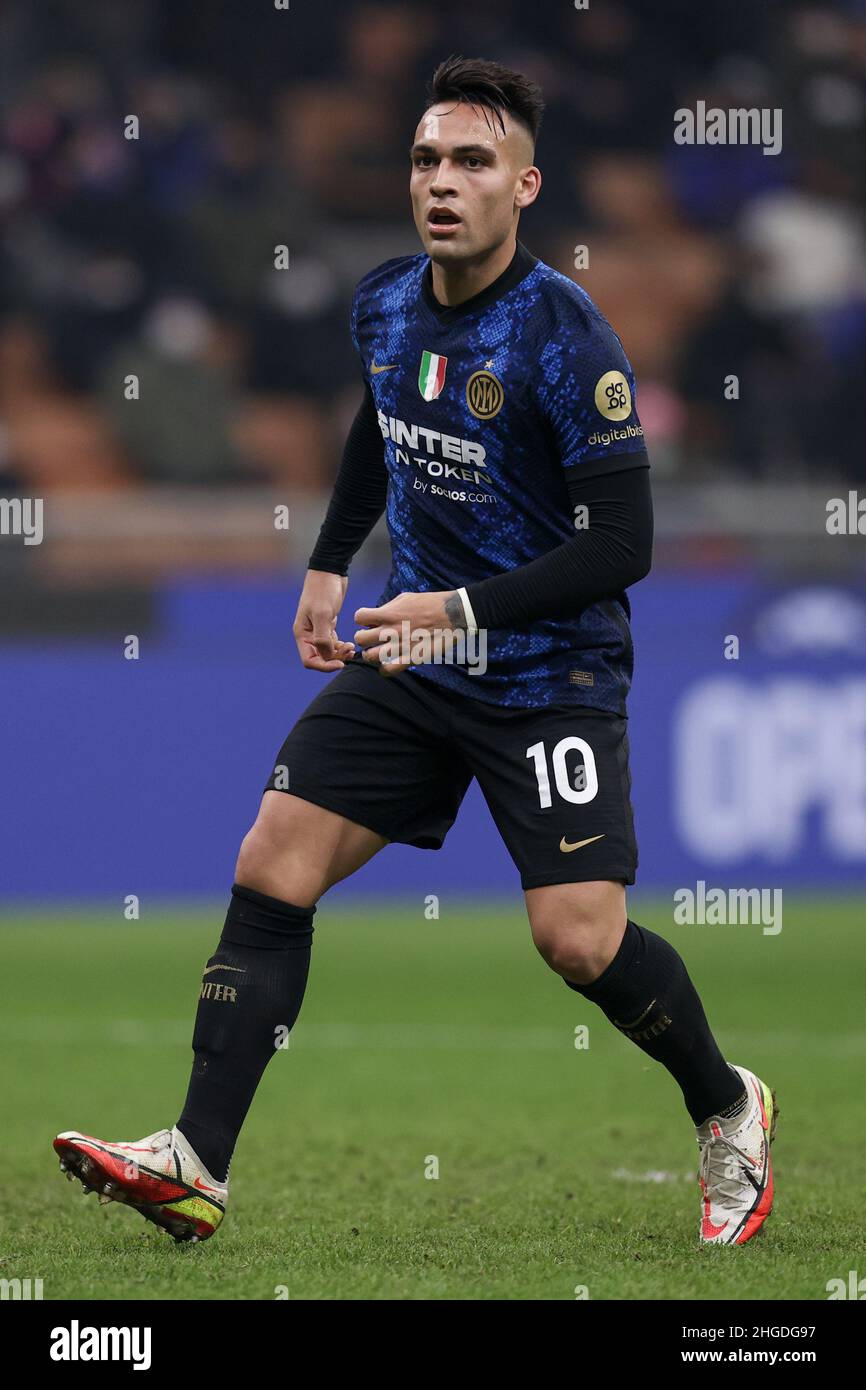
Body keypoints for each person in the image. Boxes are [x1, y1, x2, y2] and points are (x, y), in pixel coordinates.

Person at [54, 55, 777, 1248]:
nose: (441, 182)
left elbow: (626, 546)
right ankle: (193, 1162)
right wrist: (331, 561)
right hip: (411, 661)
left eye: (471, 162)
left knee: (577, 941)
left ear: (523, 185)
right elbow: (379, 423)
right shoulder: (384, 301)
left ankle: (724, 1103)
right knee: (273, 859)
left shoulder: (565, 335)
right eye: (426, 160)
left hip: (549, 675)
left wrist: (461, 610)